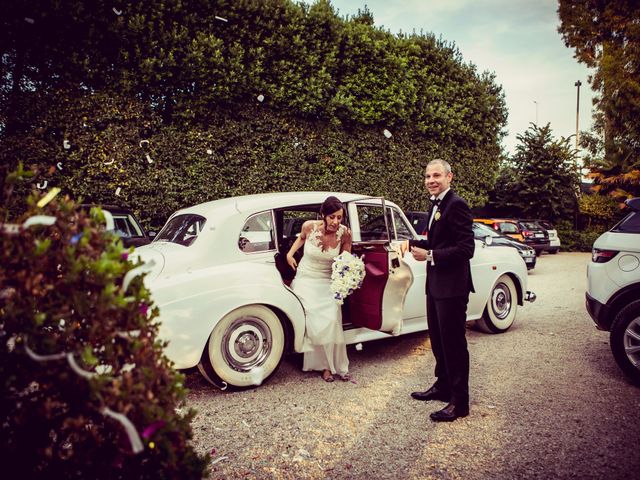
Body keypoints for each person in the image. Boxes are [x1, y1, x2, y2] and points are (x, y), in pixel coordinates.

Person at [406, 159, 475, 421]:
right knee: (438, 340)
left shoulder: (457, 205)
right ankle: (443, 386)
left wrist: (431, 254)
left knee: (454, 343)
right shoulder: (435, 203)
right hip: (435, 285)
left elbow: (466, 248)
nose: (431, 180)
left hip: (453, 287)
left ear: (449, 177)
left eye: (436, 175)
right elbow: (438, 240)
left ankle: (460, 402)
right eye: (427, 176)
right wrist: (414, 243)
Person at [286, 196, 352, 382]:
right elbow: (300, 239)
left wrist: (347, 276)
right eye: (332, 217)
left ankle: (329, 366)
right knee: (313, 320)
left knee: (331, 320)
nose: (335, 222)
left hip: (326, 281)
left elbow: (345, 259)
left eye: (339, 217)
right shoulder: (309, 226)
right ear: (323, 215)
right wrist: (289, 255)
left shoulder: (345, 233)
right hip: (305, 280)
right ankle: (323, 366)